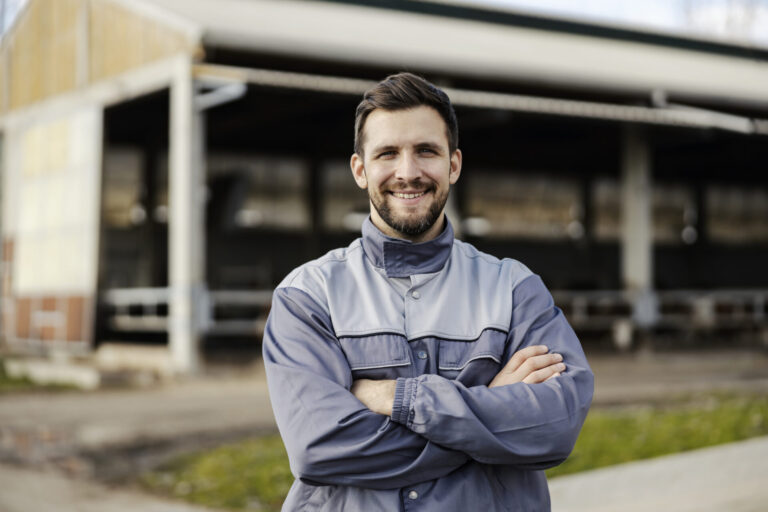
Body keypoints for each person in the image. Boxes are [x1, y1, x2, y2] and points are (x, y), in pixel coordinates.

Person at [262, 72, 594, 511]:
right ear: (360, 170)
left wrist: (396, 398)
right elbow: (318, 448)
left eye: (425, 151)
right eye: (387, 153)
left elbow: (555, 425)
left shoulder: (514, 290)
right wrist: (492, 412)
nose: (408, 172)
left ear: (453, 164)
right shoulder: (307, 297)